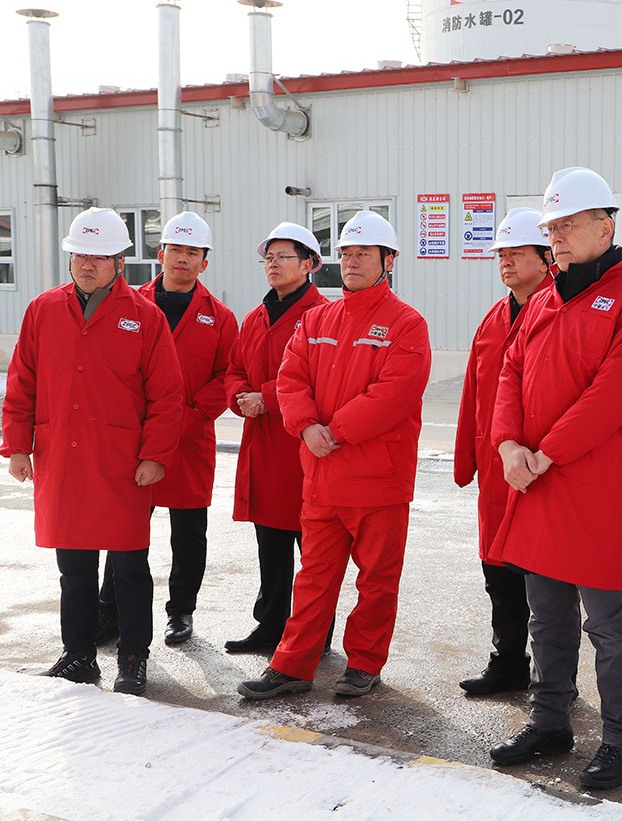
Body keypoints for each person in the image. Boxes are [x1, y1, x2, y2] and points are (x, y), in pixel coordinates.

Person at [487, 167, 622, 789]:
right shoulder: (545, 299)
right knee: (546, 614)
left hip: (594, 482)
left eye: (566, 225)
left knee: (608, 621)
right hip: (537, 477)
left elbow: (614, 394)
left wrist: (545, 453)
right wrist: (508, 443)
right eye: (551, 227)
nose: (555, 237)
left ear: (604, 226)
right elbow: (509, 372)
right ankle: (549, 722)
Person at [238, 210, 430, 700]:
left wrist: (335, 431)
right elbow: (291, 377)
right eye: (346, 253)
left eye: (364, 253)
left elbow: (394, 394)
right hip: (322, 475)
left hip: (377, 479)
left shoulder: (407, 324)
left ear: (389, 261)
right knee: (313, 579)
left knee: (376, 580)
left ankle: (364, 664)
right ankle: (292, 665)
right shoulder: (318, 319)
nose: (352, 262)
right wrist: (305, 426)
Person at [1, 207, 183, 695]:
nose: (87, 264)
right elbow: (22, 382)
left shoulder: (145, 317)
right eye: (80, 254)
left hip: (121, 462)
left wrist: (154, 455)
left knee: (129, 568)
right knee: (74, 568)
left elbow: (167, 395)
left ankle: (133, 658)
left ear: (120, 261)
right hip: (62, 456)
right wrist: (17, 446)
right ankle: (78, 655)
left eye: (99, 257)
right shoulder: (43, 309)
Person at [92, 212, 238, 647]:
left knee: (189, 532)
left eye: (192, 252)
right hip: (134, 440)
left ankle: (181, 611)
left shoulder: (220, 317)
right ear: (160, 254)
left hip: (190, 441)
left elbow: (227, 375)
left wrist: (187, 417)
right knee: (124, 528)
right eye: (175, 249)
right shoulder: (127, 304)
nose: (182, 258)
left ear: (204, 262)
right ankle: (109, 611)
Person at [455, 208, 553, 695]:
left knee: (544, 578)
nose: (506, 261)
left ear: (546, 257)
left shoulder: (559, 310)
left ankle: (553, 677)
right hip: (496, 467)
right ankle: (508, 660)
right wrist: (466, 456)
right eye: (501, 254)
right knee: (497, 571)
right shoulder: (494, 319)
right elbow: (473, 392)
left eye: (516, 253)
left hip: (540, 466)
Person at [223, 222, 328, 653]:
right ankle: (270, 626)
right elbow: (234, 369)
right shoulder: (254, 317)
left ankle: (314, 633)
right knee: (270, 544)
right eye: (268, 257)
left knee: (314, 552)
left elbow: (320, 380)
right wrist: (240, 398)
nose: (273, 264)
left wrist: (266, 398)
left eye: (284, 257)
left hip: (303, 446)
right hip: (263, 445)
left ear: (308, 265)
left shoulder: (322, 316)